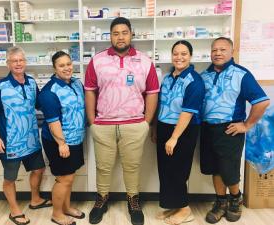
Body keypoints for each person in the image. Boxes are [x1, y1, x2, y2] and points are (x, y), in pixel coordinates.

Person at [84, 17, 159, 225]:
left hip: (135, 124)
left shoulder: (144, 61)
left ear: (131, 34)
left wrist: (146, 122)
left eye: (124, 32)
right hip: (103, 125)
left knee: (132, 166)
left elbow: (152, 92)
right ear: (110, 36)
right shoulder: (97, 61)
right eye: (115, 33)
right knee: (103, 166)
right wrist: (92, 121)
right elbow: (90, 91)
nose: (120, 37)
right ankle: (101, 199)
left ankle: (133, 200)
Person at [200, 37, 270, 223]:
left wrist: (246, 125)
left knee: (228, 170)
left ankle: (235, 199)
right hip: (207, 129)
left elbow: (262, 101)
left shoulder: (241, 74)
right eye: (215, 50)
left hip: (230, 129)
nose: (218, 53)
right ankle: (220, 202)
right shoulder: (204, 75)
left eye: (223, 49)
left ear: (232, 52)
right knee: (215, 168)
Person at [0, 46, 51, 225]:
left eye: (21, 60)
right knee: (10, 178)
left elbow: (40, 104)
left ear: (25, 62)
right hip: (10, 142)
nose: (18, 63)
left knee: (38, 169)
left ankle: (35, 199)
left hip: (31, 139)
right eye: (14, 61)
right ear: (8, 63)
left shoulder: (31, 82)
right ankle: (14, 211)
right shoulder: (1, 86)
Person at [152, 40, 205, 225]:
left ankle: (185, 209)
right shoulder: (168, 78)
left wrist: (174, 137)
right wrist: (155, 128)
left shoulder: (194, 81)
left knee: (178, 170)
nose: (179, 57)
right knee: (165, 169)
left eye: (184, 54)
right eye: (176, 53)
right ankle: (174, 205)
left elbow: (188, 112)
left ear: (190, 56)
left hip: (183, 130)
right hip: (164, 127)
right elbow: (161, 104)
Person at [38, 51, 86, 225]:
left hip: (75, 138)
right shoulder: (50, 91)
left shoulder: (76, 83)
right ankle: (57, 214)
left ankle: (66, 208)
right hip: (59, 142)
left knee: (69, 177)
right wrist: (61, 143)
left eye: (69, 64)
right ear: (54, 68)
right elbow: (53, 122)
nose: (67, 68)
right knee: (63, 178)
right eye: (61, 65)